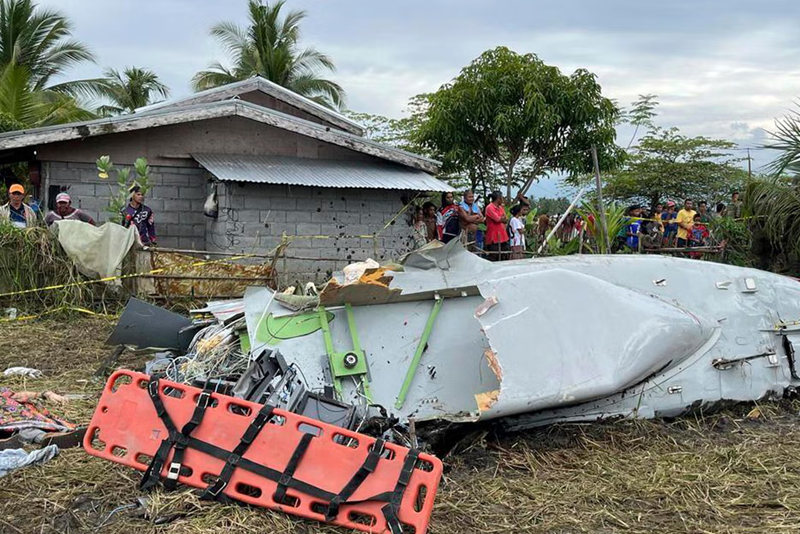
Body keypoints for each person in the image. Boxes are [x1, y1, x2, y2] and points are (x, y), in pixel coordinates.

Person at [484, 191, 509, 261]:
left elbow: (505, 219)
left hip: (503, 237)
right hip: (494, 237)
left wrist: (501, 219)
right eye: (502, 197)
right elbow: (498, 219)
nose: (503, 199)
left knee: (503, 257)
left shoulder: (500, 208)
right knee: (494, 257)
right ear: (498, 198)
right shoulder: (489, 208)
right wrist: (501, 218)